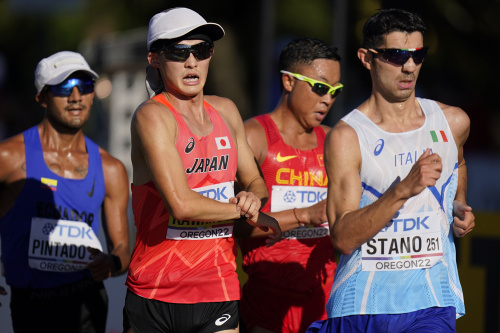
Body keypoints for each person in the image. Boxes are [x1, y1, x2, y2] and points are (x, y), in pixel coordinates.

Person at [306, 8, 475, 333]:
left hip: (431, 302)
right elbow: (342, 237)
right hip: (363, 306)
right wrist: (401, 191)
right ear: (367, 58)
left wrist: (458, 203)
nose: (409, 66)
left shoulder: (453, 122)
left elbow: (459, 163)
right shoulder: (347, 137)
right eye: (396, 55)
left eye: (417, 55)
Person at [124, 7, 282, 333]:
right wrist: (243, 211)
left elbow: (254, 179)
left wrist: (253, 198)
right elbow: (180, 205)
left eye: (202, 50)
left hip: (217, 285)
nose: (192, 61)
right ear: (155, 58)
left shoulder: (225, 109)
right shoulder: (152, 116)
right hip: (158, 290)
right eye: (179, 52)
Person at [0, 51, 131, 333]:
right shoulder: (8, 157)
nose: (75, 97)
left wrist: (110, 263)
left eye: (84, 86)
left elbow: (122, 250)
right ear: (42, 97)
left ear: (93, 95)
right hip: (30, 305)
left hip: (87, 301)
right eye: (63, 87)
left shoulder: (111, 168)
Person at [235, 38, 342, 333]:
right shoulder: (253, 137)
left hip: (325, 303)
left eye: (335, 91)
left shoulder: (336, 141)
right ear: (288, 81)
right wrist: (302, 215)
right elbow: (229, 224)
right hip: (266, 305)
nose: (328, 100)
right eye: (320, 88)